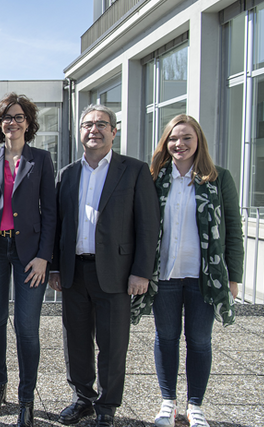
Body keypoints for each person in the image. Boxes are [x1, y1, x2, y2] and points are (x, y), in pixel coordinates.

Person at [49, 104, 159, 427]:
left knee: (112, 345)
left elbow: (149, 225)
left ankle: (107, 406)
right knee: (77, 341)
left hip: (116, 272)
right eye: (87, 124)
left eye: (101, 123)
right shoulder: (67, 173)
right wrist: (55, 266)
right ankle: (82, 398)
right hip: (74, 272)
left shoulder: (135, 171)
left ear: (114, 131)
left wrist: (142, 271)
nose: (94, 129)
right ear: (79, 131)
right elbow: (58, 225)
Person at [131, 115, 243, 427]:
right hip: (164, 275)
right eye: (173, 139)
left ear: (198, 142)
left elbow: (233, 229)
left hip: (203, 275)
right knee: (165, 337)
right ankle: (168, 402)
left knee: (199, 340)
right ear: (165, 143)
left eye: (187, 138)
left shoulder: (219, 178)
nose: (180, 144)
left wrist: (234, 277)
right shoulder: (154, 178)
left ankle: (196, 406)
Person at [0, 93, 56, 427]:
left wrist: (45, 256)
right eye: (7, 117)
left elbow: (51, 214)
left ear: (28, 123)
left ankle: (27, 398)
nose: (12, 122)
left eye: (18, 117)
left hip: (30, 254)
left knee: (27, 327)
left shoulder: (42, 160)